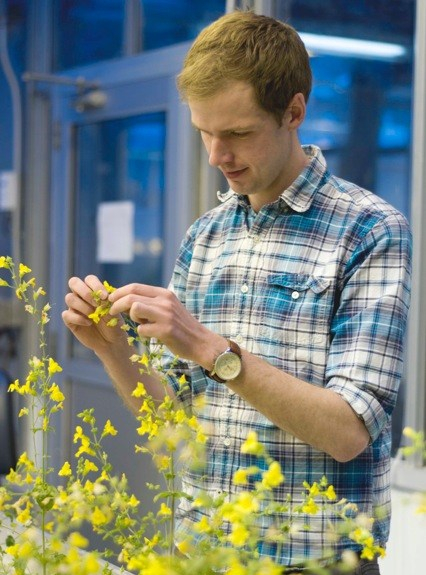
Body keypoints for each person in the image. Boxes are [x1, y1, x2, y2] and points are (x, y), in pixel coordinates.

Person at [62, 10, 412, 574]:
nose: (215, 155)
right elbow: (173, 423)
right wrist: (113, 350)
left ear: (293, 112)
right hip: (203, 553)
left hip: (317, 562)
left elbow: (349, 431)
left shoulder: (369, 230)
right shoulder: (206, 237)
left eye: (238, 134)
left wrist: (208, 348)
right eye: (205, 131)